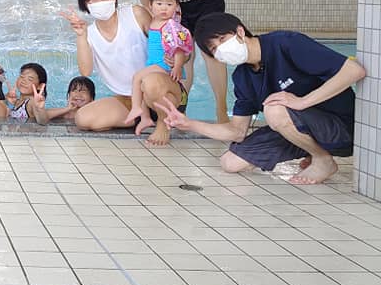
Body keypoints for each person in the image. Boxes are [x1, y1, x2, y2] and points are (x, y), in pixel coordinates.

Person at [155, 12, 366, 185]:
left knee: (274, 109)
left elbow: (354, 71)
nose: (220, 49)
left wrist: (302, 101)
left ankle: (322, 159)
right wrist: (189, 124)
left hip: (342, 127)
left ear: (239, 31)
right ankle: (312, 150)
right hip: (296, 129)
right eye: (214, 49)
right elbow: (237, 132)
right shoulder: (242, 77)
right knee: (230, 162)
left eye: (222, 40)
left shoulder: (286, 44)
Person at [112, 0, 229, 123]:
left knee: (211, 52)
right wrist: (164, 45)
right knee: (180, 59)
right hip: (175, 9)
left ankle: (221, 111)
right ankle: (180, 110)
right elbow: (151, 10)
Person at [60, 0, 180, 145]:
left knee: (149, 82)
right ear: (85, 3)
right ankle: (142, 118)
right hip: (128, 99)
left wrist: (176, 60)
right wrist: (81, 36)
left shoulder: (136, 14)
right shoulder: (89, 34)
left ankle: (163, 124)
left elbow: (172, 41)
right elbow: (85, 71)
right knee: (83, 119)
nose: (100, 1)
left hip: (162, 89)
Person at [124, 0, 192, 140]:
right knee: (142, 85)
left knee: (137, 77)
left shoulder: (171, 26)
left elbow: (178, 49)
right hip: (154, 64)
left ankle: (136, 108)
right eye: (159, 4)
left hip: (163, 66)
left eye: (169, 4)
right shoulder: (154, 22)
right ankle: (146, 118)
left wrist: (177, 66)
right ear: (151, 5)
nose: (164, 8)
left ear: (176, 6)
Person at [6, 65, 97, 124]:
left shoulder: (32, 102)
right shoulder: (65, 114)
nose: (78, 94)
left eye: (83, 91)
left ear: (92, 98)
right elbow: (45, 116)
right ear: (68, 96)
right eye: (74, 90)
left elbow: (43, 119)